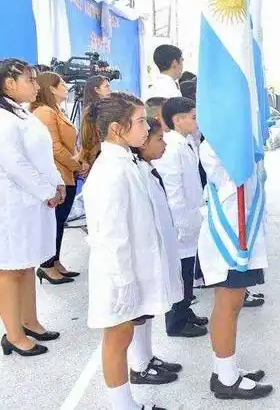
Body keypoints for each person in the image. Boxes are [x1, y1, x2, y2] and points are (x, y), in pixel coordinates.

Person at [82, 92, 175, 410]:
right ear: (115, 129)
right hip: (117, 274)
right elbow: (110, 236)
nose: (146, 128)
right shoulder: (111, 171)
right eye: (138, 122)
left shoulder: (127, 162)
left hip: (128, 269)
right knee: (117, 338)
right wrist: (123, 281)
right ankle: (122, 405)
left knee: (122, 335)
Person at [198, 138, 273, 399]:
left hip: (241, 234)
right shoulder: (217, 145)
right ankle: (227, 380)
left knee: (233, 304)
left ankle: (224, 369)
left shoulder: (227, 140)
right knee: (228, 306)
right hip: (230, 236)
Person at [0, 59, 64, 358]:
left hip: (32, 200)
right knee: (11, 270)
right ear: (9, 83)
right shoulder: (3, 118)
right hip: (13, 204)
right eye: (30, 80)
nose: (36, 86)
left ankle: (30, 321)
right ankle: (13, 335)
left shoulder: (21, 114)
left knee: (25, 265)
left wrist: (56, 185)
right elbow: (14, 165)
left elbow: (42, 156)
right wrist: (46, 190)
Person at [128, 117, 184, 385]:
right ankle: (139, 366)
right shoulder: (132, 171)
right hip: (139, 254)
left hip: (155, 248)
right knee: (139, 310)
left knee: (148, 308)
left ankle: (148, 357)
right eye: (159, 139)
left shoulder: (145, 167)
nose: (164, 144)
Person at [154, 97, 208, 338]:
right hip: (180, 220)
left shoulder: (185, 142)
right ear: (177, 120)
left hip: (190, 215)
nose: (197, 121)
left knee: (187, 270)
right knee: (179, 273)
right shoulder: (172, 147)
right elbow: (173, 190)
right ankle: (176, 322)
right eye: (193, 117)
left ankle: (185, 311)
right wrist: (182, 224)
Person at [31, 72, 85, 284]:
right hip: (59, 172)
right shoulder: (44, 112)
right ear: (51, 88)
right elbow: (55, 147)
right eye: (61, 83)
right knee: (54, 221)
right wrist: (77, 165)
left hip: (67, 171)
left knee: (60, 221)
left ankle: (55, 261)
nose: (66, 86)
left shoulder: (55, 110)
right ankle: (46, 265)